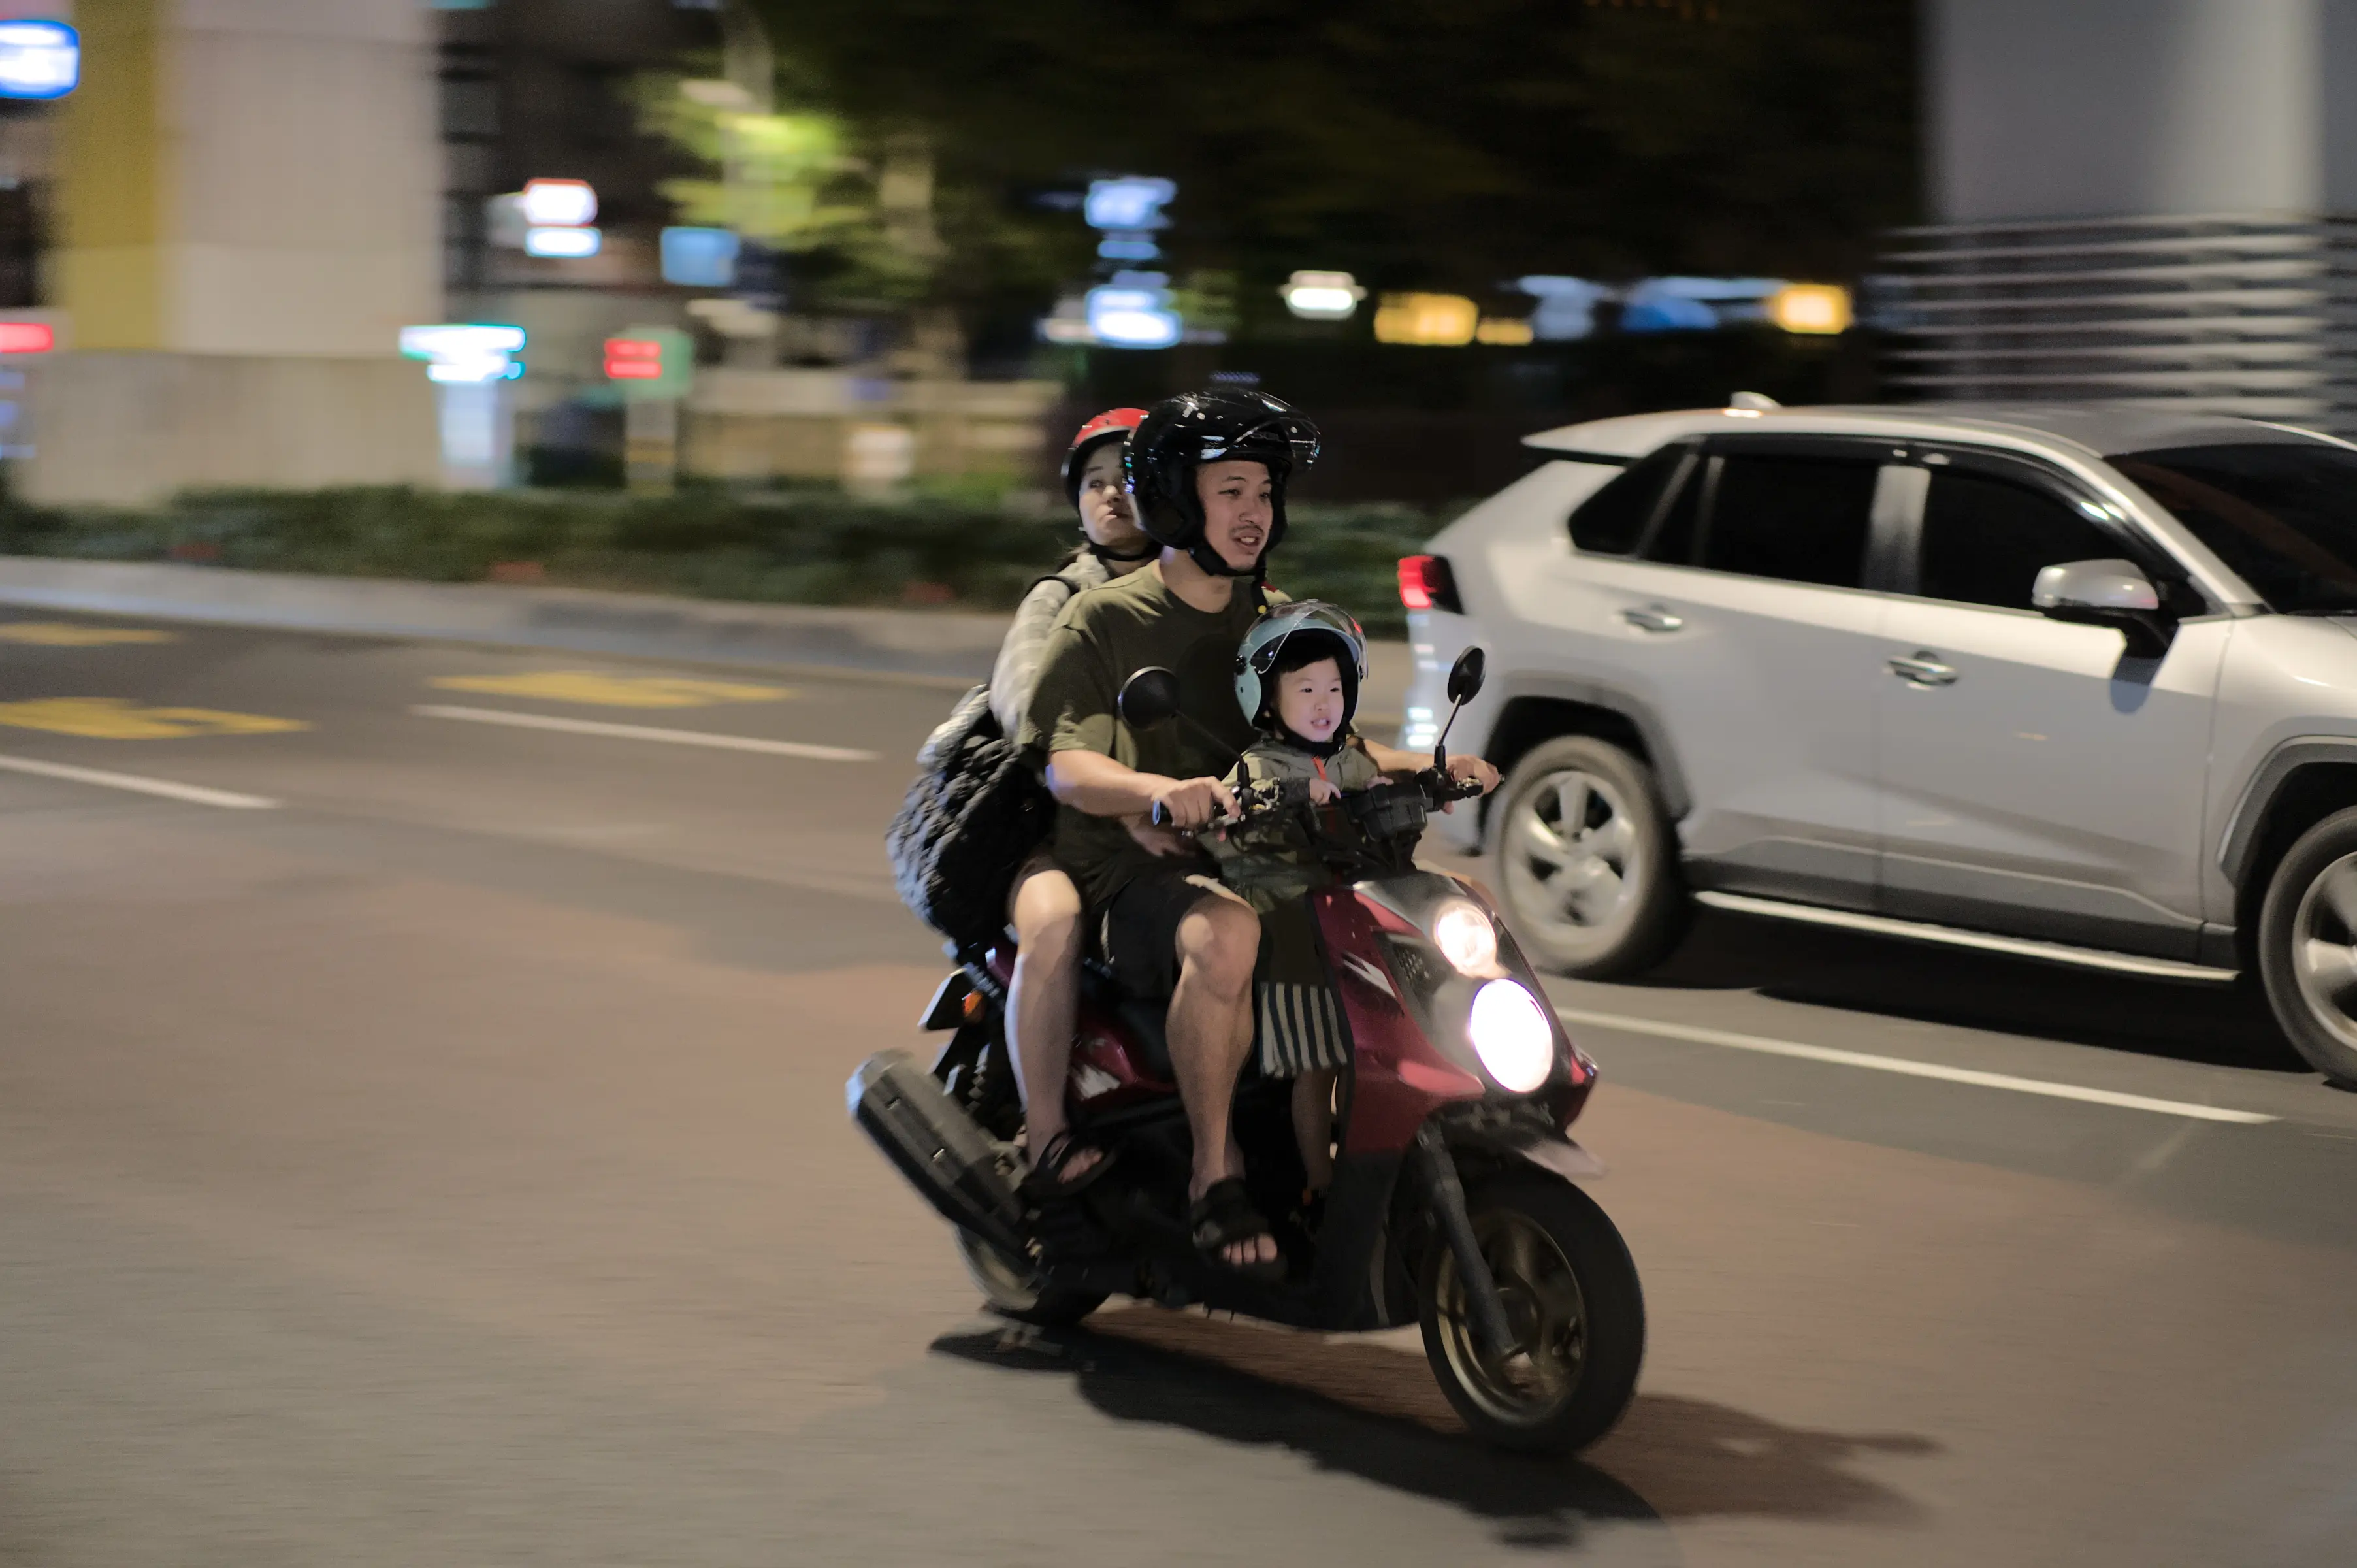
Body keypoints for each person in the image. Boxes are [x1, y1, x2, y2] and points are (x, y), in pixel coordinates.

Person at [1020, 389, 1499, 1277]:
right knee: (1229, 934)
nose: (1255, 513)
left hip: (1263, 851)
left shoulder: (1273, 613)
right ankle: (1216, 1174)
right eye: (1231, 491)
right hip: (1130, 866)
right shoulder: (1106, 618)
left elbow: (1330, 743)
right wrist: (1158, 791)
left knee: (1447, 907)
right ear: (1176, 500)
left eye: (1265, 493)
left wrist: (1430, 768)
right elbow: (1067, 766)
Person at [990, 408, 1155, 1197]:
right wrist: (1114, 789)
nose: (1111, 495)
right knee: (1054, 924)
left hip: (1171, 823)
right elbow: (1031, 712)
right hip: (1056, 831)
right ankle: (1046, 1134)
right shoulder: (1058, 599)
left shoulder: (1208, 587)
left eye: (1128, 478)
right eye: (1094, 483)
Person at [1205, 601, 1382, 1201]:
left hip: (1351, 923)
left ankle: (1369, 1160)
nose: (1323, 702)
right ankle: (1319, 1182)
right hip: (1293, 933)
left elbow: (1371, 794)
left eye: (1335, 687)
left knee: (1370, 1057)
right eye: (1305, 688)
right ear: (1266, 698)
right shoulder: (1256, 766)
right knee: (1318, 1064)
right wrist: (1287, 793)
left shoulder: (1350, 759)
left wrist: (1399, 788)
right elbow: (1228, 815)